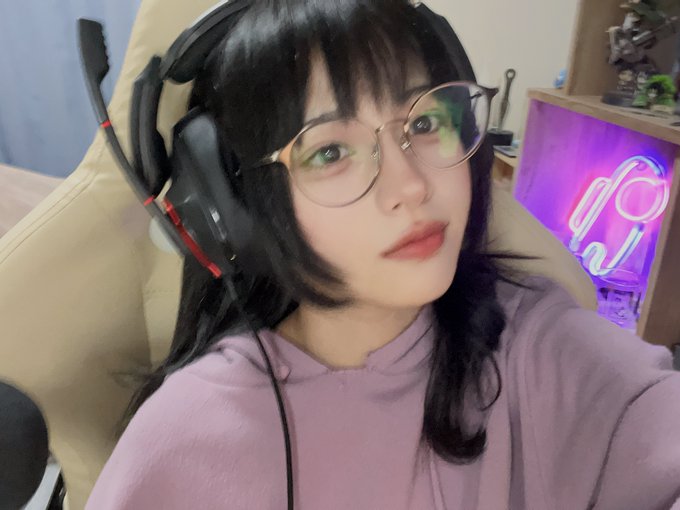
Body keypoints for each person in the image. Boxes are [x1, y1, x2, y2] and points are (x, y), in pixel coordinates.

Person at [86, 0, 680, 508]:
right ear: (235, 209)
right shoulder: (186, 435)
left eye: (425, 122)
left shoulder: (536, 344)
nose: (412, 186)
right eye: (329, 153)